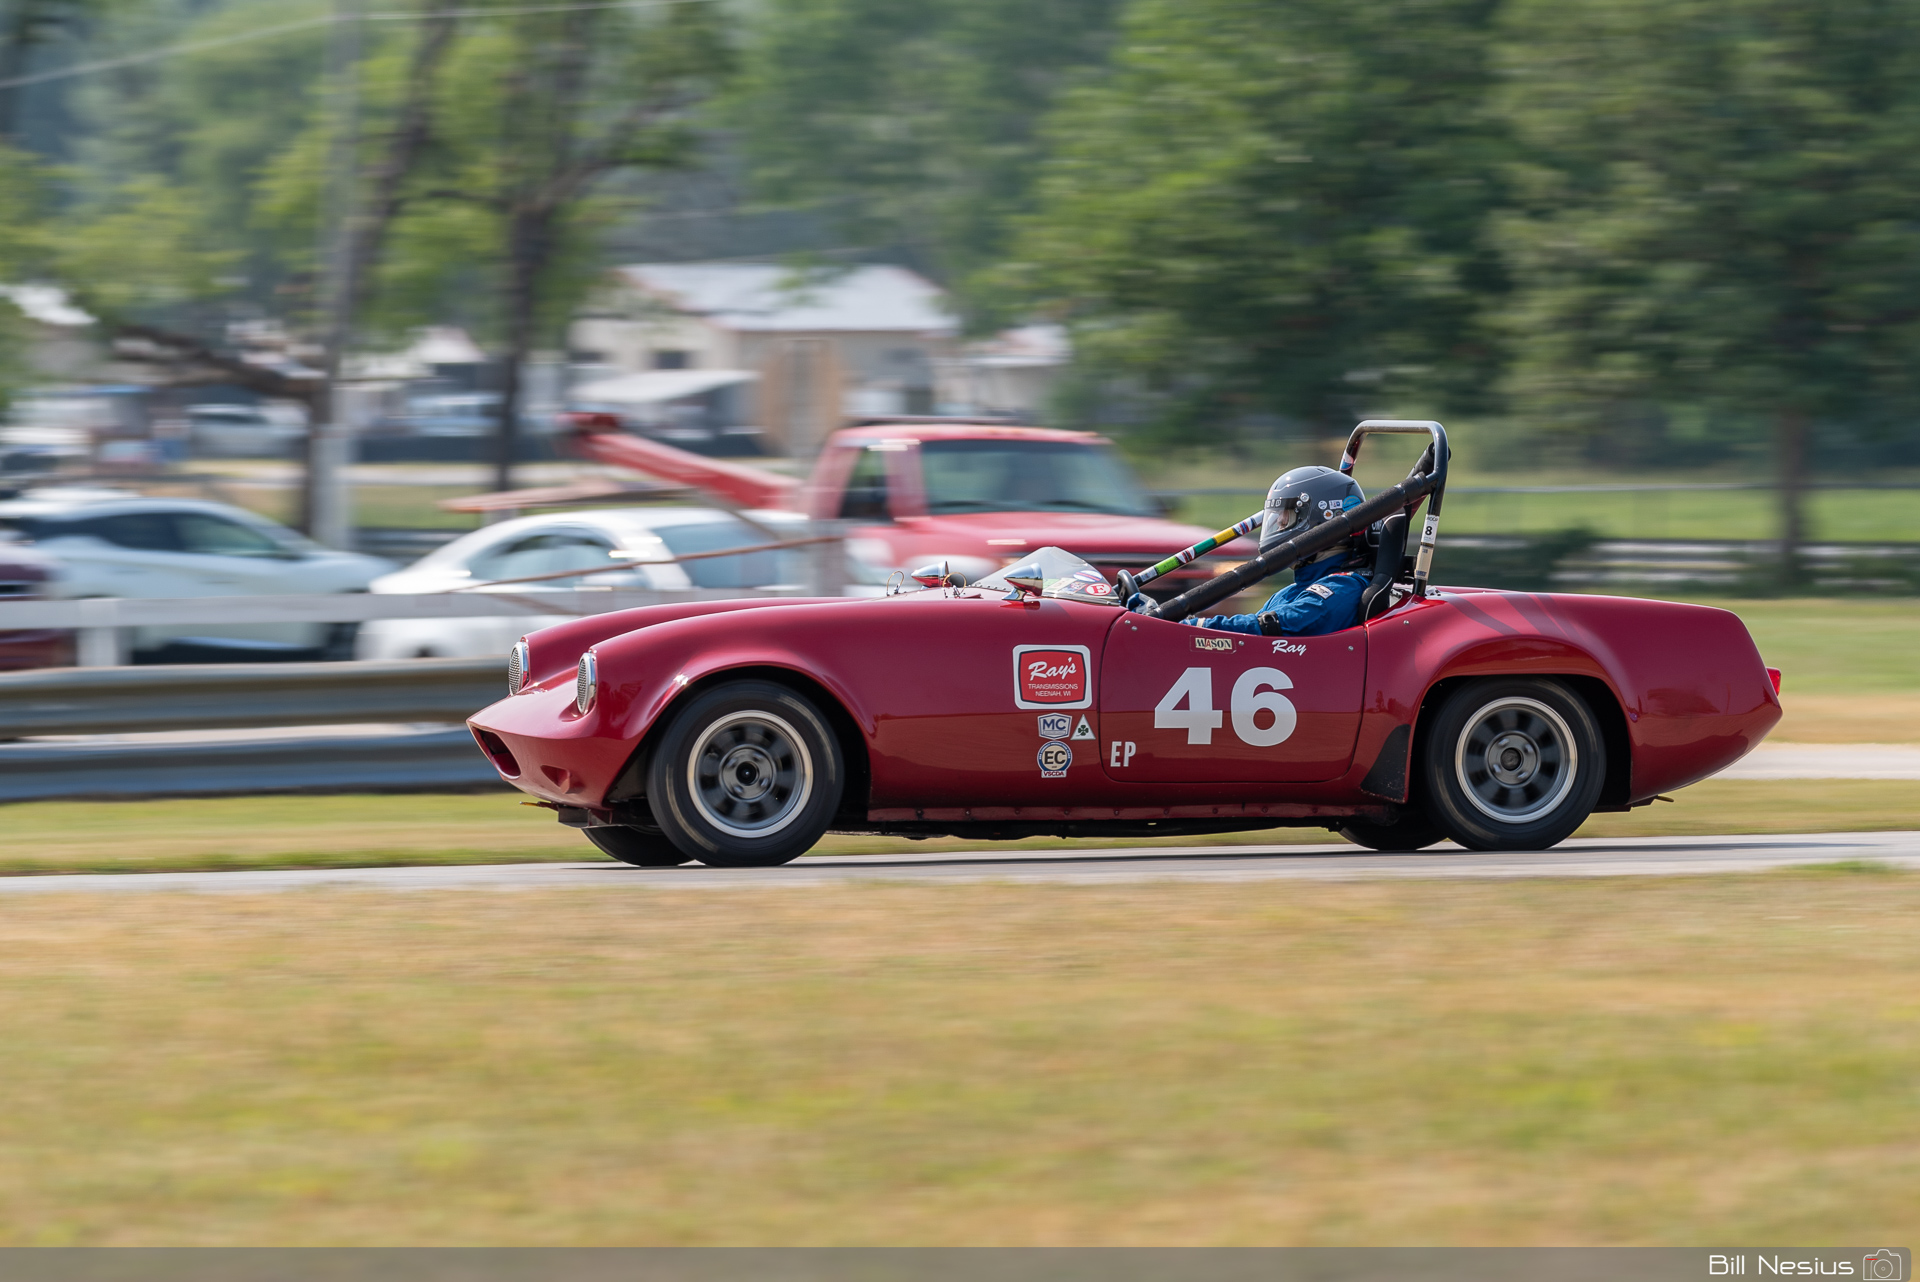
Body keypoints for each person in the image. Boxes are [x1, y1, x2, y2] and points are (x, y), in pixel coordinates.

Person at [1160, 465, 1371, 636]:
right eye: (1277, 518)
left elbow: (1274, 626)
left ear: (1325, 519)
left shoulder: (1344, 587)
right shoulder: (1290, 592)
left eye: (1286, 517)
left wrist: (1189, 627)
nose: (1279, 525)